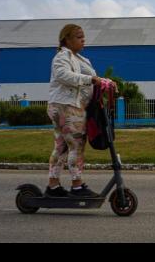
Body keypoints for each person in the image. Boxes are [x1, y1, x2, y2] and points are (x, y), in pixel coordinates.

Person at [45, 24, 114, 197]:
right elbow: (63, 75)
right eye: (78, 37)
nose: (83, 40)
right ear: (66, 40)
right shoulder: (62, 56)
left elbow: (90, 78)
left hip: (66, 106)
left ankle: (53, 186)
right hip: (66, 106)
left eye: (83, 36)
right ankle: (77, 186)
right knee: (76, 144)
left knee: (61, 147)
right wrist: (91, 79)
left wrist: (105, 81)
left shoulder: (79, 59)